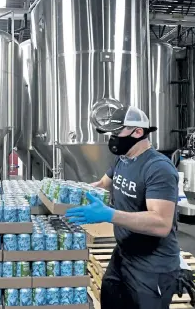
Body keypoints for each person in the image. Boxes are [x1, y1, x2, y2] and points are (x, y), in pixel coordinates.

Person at [65, 105, 180, 309]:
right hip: (123, 255)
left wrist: (109, 214)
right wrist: (71, 192)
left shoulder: (158, 168)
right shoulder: (123, 160)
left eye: (117, 132)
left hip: (152, 266)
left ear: (138, 132)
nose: (112, 138)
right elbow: (102, 184)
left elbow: (161, 223)